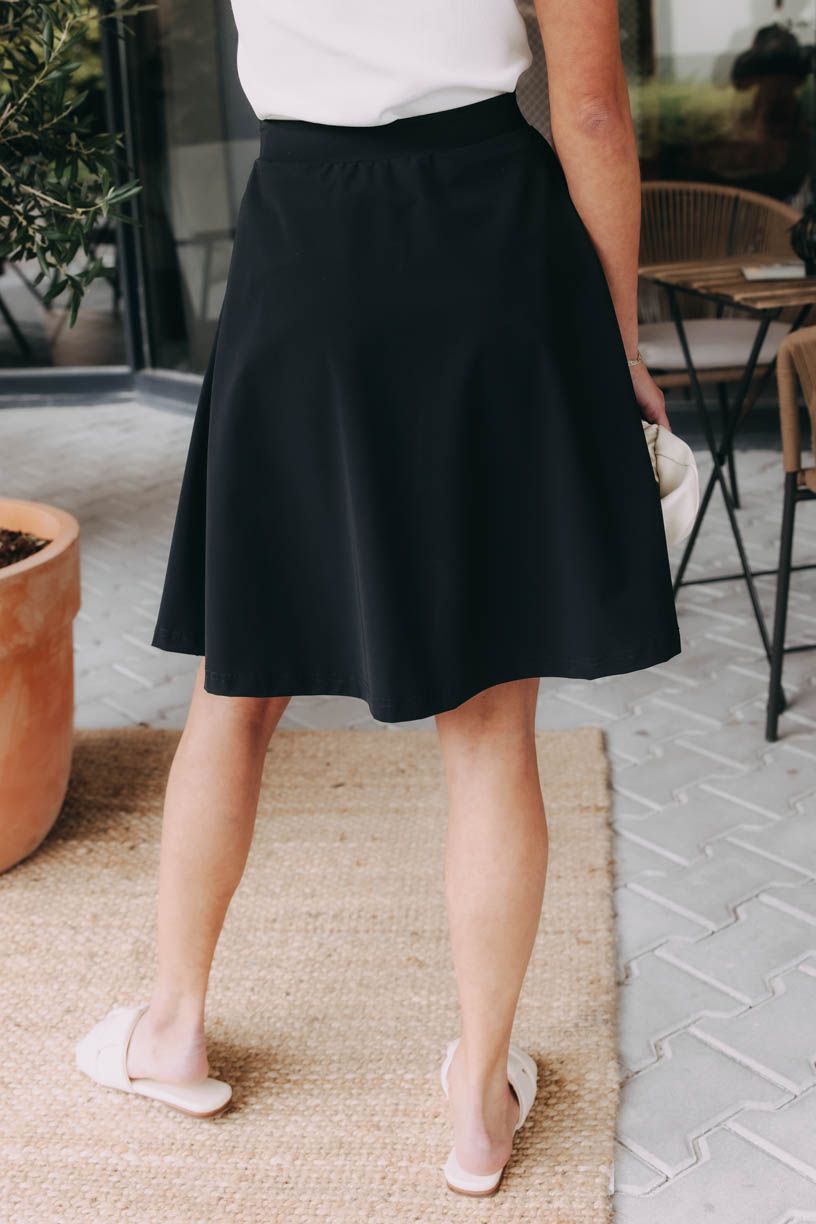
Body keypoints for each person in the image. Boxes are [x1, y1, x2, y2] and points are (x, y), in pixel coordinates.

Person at [76, 0, 680, 1197]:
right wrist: (616, 345)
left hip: (305, 246)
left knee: (237, 683)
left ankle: (174, 1029)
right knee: (491, 720)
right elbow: (593, 111)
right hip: (491, 249)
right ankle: (479, 1106)